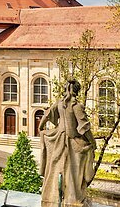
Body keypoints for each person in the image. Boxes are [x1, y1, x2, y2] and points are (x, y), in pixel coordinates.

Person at [39, 79, 96, 207]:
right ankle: (72, 200)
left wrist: (41, 128)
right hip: (72, 143)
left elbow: (47, 114)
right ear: (77, 91)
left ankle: (50, 198)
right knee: (73, 172)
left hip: (58, 139)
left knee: (54, 169)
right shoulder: (76, 106)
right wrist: (92, 143)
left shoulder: (60, 103)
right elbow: (85, 128)